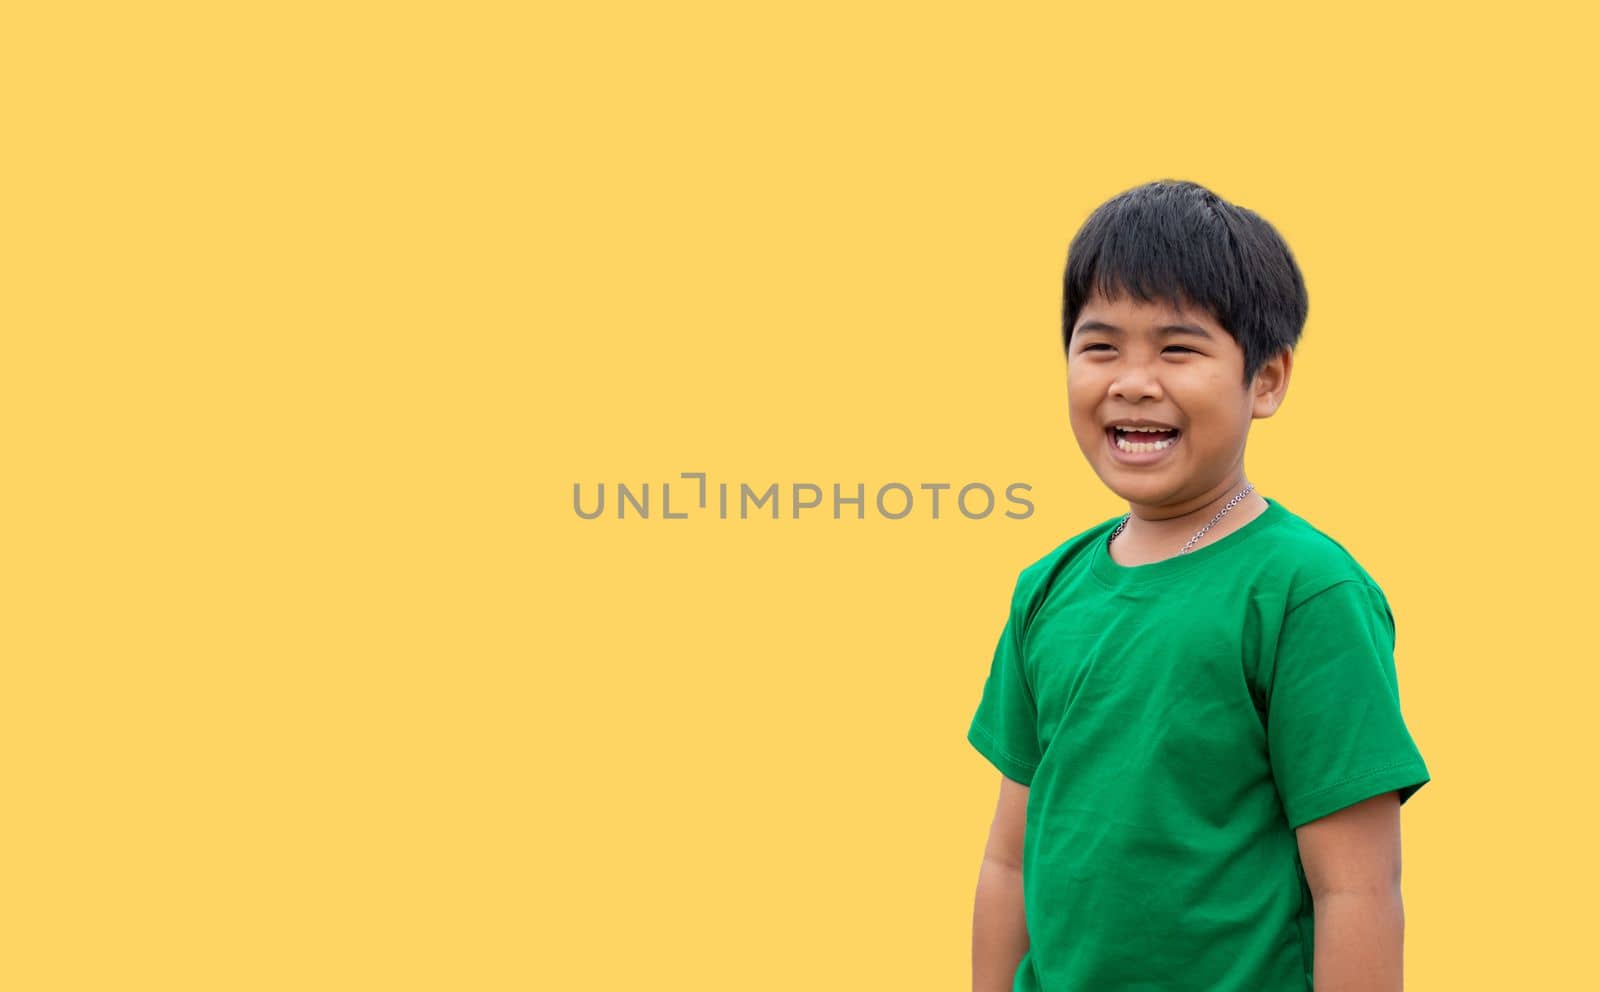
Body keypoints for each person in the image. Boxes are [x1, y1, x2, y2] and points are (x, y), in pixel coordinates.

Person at [967, 179, 1430, 991]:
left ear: (1267, 380)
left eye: (1178, 349)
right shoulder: (1048, 587)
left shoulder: (1305, 591)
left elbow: (1355, 888)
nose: (1133, 381)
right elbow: (1009, 859)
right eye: (1100, 345)